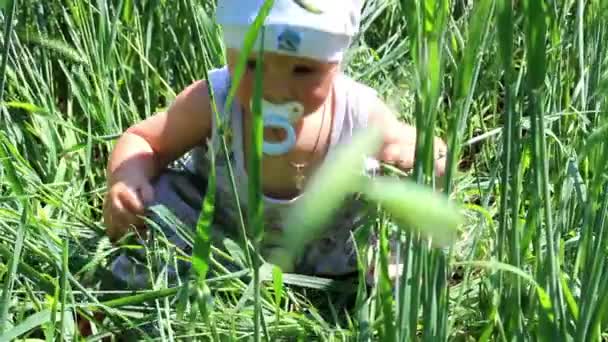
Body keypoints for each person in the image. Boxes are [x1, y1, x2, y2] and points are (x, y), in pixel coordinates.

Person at [102, 0, 447, 289]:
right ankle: (144, 292)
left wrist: (421, 158)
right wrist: (127, 178)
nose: (276, 88)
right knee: (159, 201)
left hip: (333, 242)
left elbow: (422, 148)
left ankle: (389, 299)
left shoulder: (357, 112)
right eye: (253, 65)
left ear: (336, 62)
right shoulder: (215, 100)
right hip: (223, 233)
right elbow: (147, 140)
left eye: (302, 71)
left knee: (403, 227)